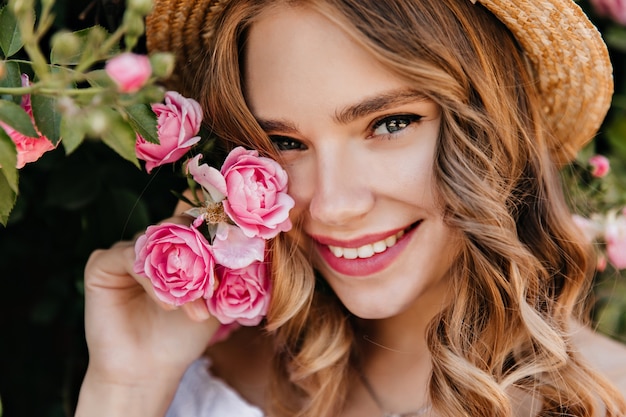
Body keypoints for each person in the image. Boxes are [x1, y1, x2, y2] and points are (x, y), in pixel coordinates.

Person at [74, 0, 626, 416]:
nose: (333, 206)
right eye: (284, 142)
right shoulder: (196, 374)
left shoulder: (608, 397)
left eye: (390, 124)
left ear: (492, 130)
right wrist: (126, 388)